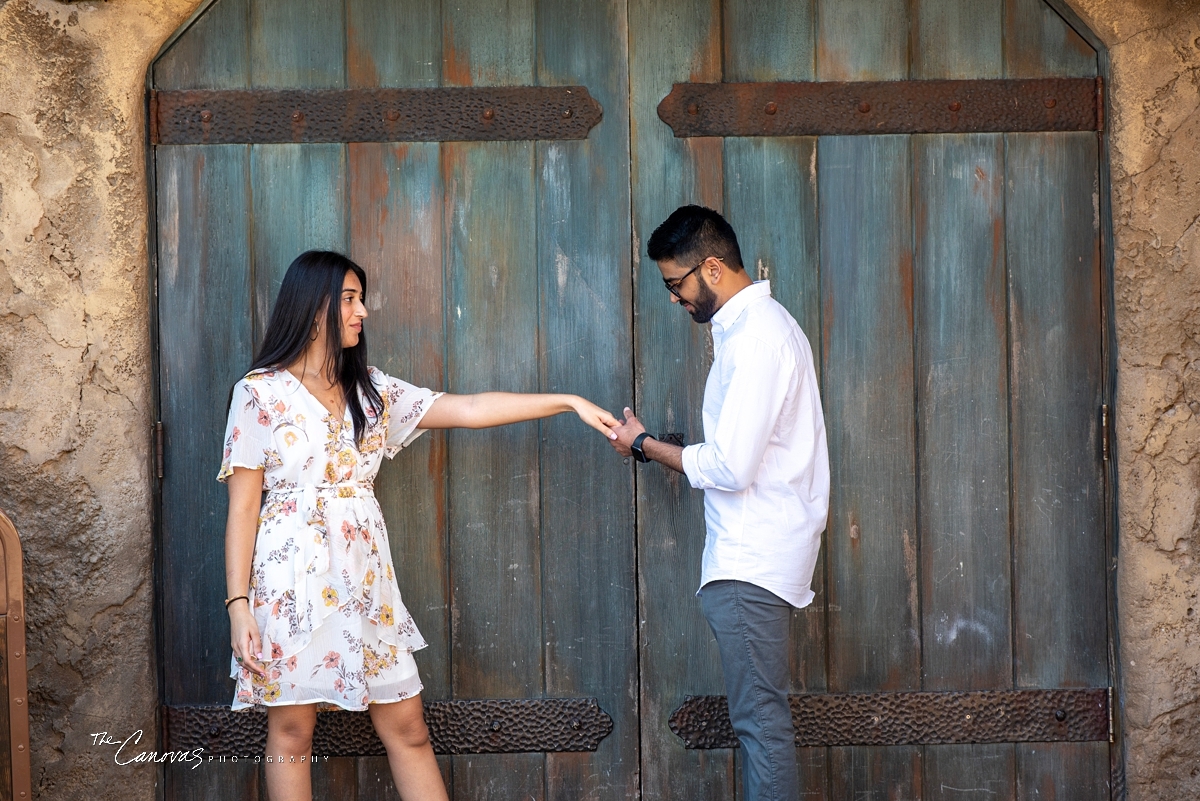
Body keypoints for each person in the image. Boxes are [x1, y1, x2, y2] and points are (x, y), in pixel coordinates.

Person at [220, 250, 618, 801]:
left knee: (407, 727)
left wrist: (568, 402)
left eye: (362, 300)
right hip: (291, 587)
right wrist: (238, 605)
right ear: (314, 308)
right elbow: (243, 507)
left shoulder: (371, 391)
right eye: (351, 300)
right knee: (291, 731)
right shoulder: (258, 393)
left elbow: (470, 408)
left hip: (367, 586)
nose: (363, 312)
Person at [606, 206, 829, 801]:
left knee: (762, 727)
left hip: (751, 562)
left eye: (676, 284)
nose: (675, 299)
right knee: (761, 722)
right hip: (752, 558)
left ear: (711, 267)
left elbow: (732, 465)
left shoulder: (757, 337)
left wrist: (645, 446)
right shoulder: (752, 332)